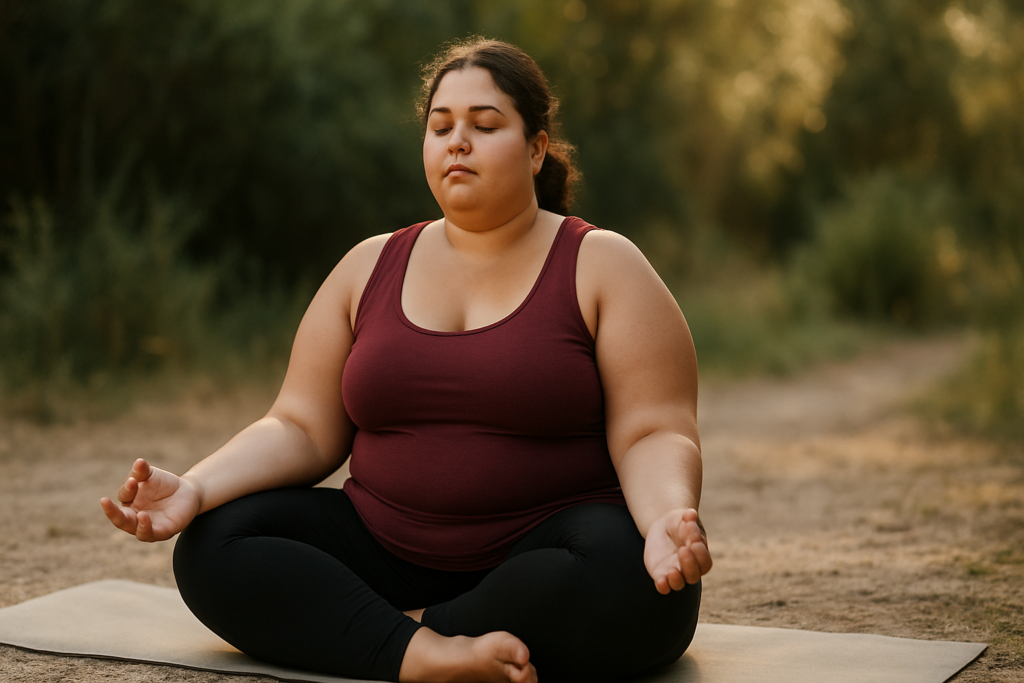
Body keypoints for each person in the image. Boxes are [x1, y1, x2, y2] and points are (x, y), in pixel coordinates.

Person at [100, 38, 711, 683]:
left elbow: (654, 429)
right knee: (215, 539)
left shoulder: (602, 263)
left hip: (546, 558)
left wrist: (665, 516)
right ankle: (428, 653)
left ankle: (396, 633)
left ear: (536, 148)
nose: (457, 142)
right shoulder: (368, 266)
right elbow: (301, 426)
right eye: (440, 127)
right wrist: (195, 487)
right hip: (383, 549)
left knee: (633, 573)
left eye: (484, 124)